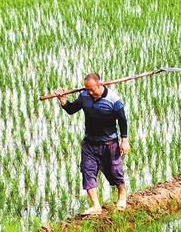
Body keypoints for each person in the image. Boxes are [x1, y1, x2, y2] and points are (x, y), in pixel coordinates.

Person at [54, 73, 130, 215]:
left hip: (109, 143)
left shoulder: (114, 100)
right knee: (87, 171)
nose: (89, 92)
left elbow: (123, 121)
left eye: (91, 89)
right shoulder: (84, 96)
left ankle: (122, 195)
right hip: (89, 143)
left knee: (115, 171)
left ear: (100, 84)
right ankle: (96, 206)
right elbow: (71, 110)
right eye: (87, 89)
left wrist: (124, 140)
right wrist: (63, 100)